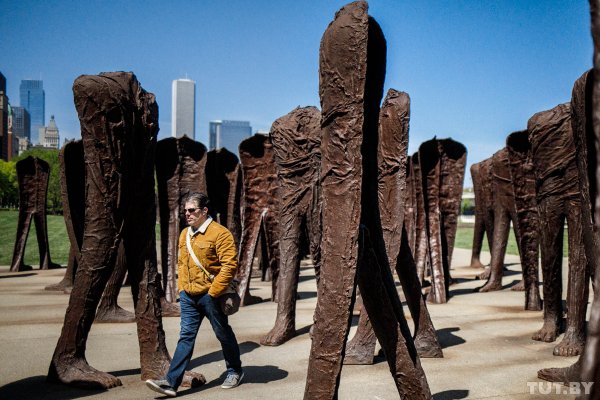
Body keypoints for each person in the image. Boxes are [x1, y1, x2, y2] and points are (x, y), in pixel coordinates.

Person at [146, 192, 243, 397]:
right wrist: (182, 289)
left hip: (211, 295)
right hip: (189, 296)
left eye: (192, 210)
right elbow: (182, 264)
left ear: (204, 211)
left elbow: (229, 266)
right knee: (186, 337)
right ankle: (171, 383)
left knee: (222, 333)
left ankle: (235, 370)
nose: (187, 214)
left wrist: (214, 292)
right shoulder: (185, 234)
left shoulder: (220, 233)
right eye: (185, 211)